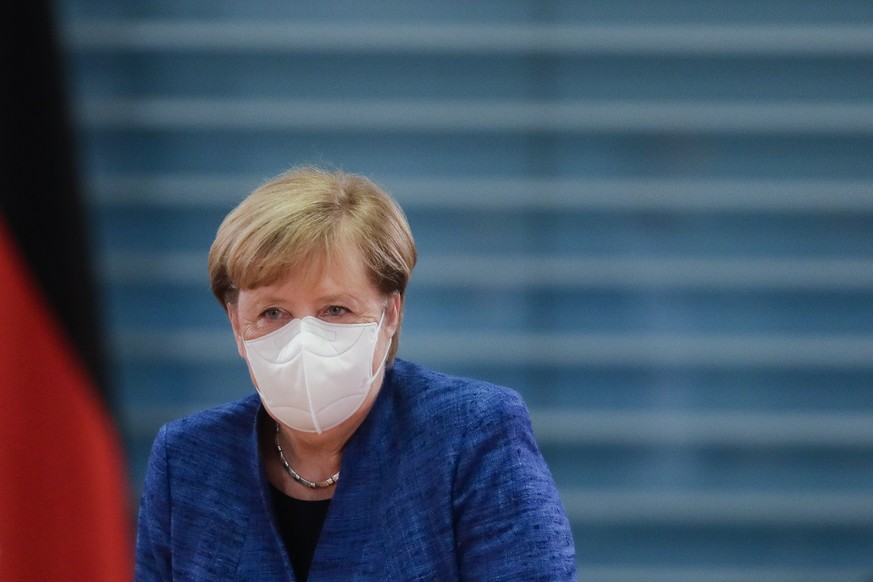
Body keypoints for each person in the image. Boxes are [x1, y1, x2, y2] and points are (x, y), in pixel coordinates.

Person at [134, 166, 577, 580]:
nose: (302, 338)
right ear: (236, 325)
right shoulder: (188, 459)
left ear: (390, 315)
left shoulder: (470, 436)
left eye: (335, 309)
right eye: (273, 312)